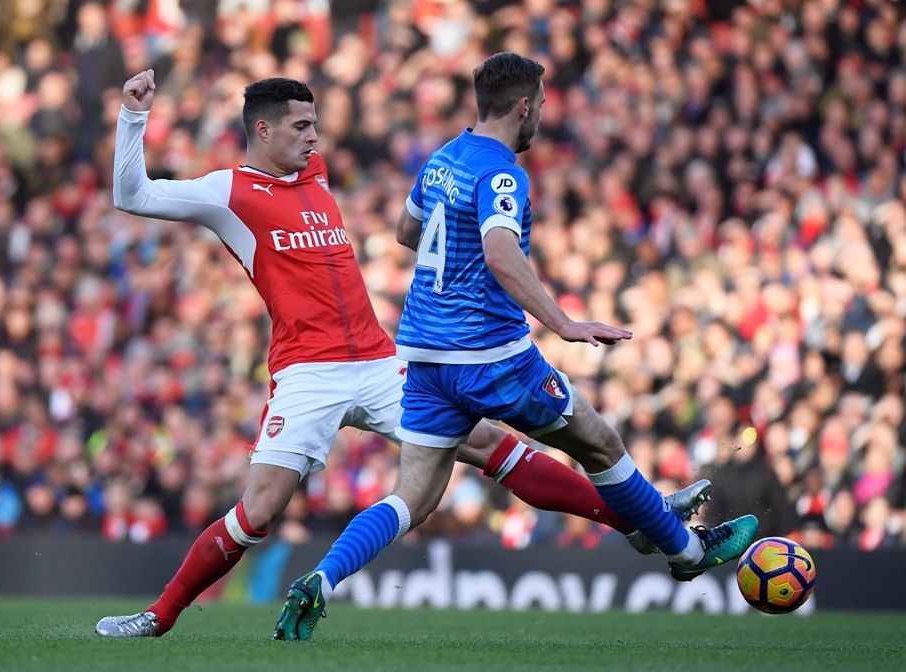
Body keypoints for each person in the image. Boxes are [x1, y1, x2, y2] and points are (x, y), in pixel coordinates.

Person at [95, 68, 711, 638]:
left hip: (380, 358)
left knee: (495, 445)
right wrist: (133, 116)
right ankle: (159, 615)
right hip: (308, 371)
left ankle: (641, 519)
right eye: (300, 126)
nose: (315, 137)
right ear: (262, 129)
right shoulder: (227, 192)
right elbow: (134, 195)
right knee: (258, 513)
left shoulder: (315, 175)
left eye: (315, 124)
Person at [274, 52, 759, 641]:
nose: (543, 117)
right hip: (490, 358)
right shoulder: (502, 173)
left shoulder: (442, 158)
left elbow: (408, 232)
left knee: (411, 499)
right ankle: (686, 550)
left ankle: (322, 580)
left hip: (423, 358)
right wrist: (563, 322)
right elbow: (502, 251)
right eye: (544, 105)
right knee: (600, 444)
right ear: (524, 105)